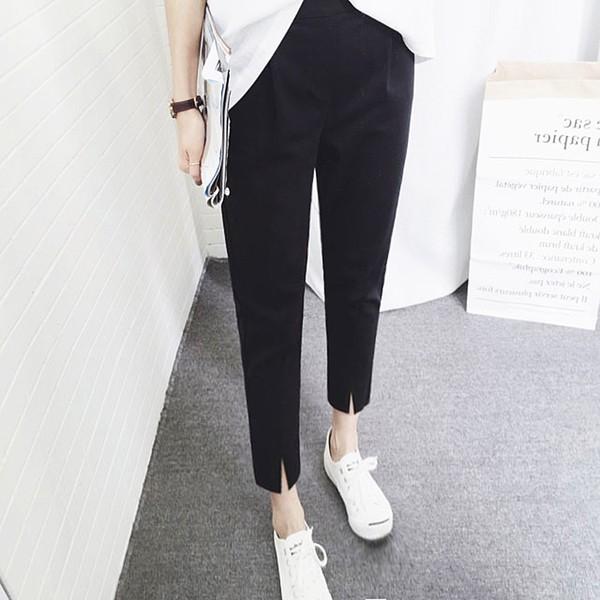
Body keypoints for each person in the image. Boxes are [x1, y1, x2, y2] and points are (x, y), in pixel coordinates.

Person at [165, 0, 435, 597]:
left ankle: (344, 443)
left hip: (381, 39)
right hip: (263, 56)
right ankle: (284, 506)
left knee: (360, 269)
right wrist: (184, 101)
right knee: (267, 295)